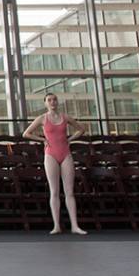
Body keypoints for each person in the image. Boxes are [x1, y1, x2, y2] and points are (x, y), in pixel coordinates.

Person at [22, 93, 87, 235]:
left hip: (65, 154)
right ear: (45, 103)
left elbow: (81, 129)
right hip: (50, 154)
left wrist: (70, 139)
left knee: (69, 191)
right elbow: (26, 133)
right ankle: (57, 225)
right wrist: (42, 140)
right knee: (55, 191)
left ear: (57, 102)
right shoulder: (42, 118)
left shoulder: (65, 117)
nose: (52, 102)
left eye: (54, 100)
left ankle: (75, 226)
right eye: (49, 100)